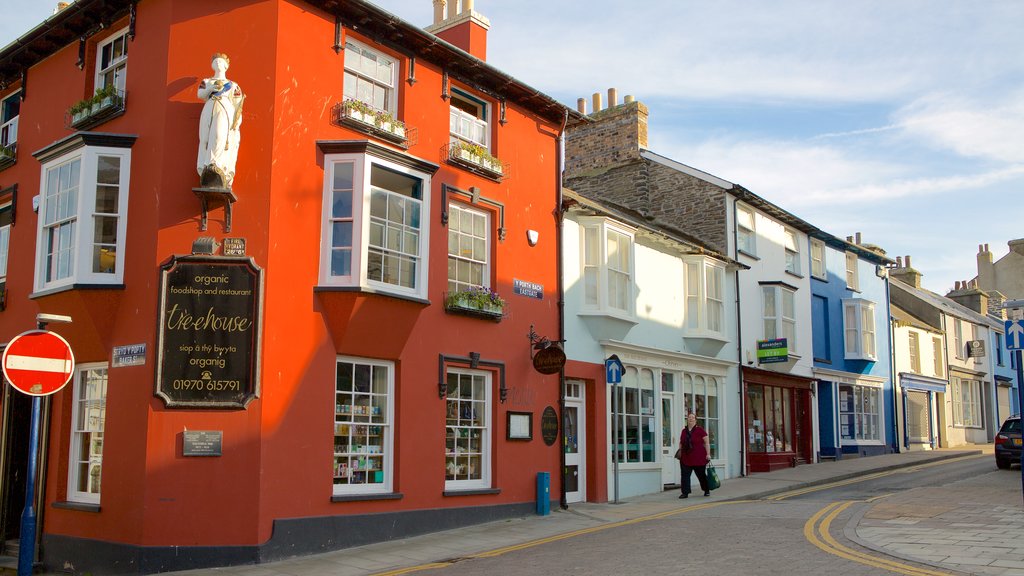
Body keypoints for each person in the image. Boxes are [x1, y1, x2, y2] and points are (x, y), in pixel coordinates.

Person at [197, 53, 244, 190]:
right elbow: (200, 94)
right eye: (215, 61)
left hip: (224, 109)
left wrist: (236, 123)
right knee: (205, 137)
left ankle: (216, 165)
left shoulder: (232, 85)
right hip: (210, 106)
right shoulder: (207, 82)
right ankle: (205, 166)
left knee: (219, 135)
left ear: (226, 66)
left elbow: (238, 104)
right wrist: (211, 89)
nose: (218, 63)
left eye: (221, 61)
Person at [677, 412, 711, 498]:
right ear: (687, 419)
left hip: (698, 457)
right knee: (684, 476)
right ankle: (685, 493)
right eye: (689, 417)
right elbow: (681, 442)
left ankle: (706, 490)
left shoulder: (700, 430)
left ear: (695, 420)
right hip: (686, 457)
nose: (691, 419)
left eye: (693, 417)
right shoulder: (684, 431)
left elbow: (707, 443)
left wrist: (708, 454)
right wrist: (680, 451)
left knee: (701, 475)